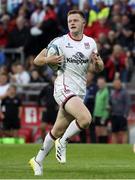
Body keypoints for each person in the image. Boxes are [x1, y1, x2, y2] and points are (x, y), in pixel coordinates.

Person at [29, 10, 104, 176]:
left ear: (84, 23)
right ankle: (63, 142)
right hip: (63, 88)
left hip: (79, 91)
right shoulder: (59, 42)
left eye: (76, 20)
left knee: (56, 130)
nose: (72, 23)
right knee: (85, 119)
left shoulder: (90, 43)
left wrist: (98, 63)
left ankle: (37, 160)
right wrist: (48, 60)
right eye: (70, 20)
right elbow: (37, 60)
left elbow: (98, 68)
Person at [109, 78, 130, 143]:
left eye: (117, 83)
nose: (115, 85)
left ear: (120, 84)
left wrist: (125, 114)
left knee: (123, 132)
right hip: (114, 115)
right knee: (114, 132)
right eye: (114, 84)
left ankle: (123, 147)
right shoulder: (112, 92)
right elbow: (110, 102)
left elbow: (127, 104)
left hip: (122, 115)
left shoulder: (124, 92)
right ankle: (114, 148)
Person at [93, 77, 110, 143]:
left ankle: (104, 145)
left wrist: (104, 117)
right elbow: (96, 105)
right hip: (97, 114)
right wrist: (94, 115)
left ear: (105, 83)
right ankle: (100, 145)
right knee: (98, 131)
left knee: (103, 131)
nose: (100, 84)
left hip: (103, 115)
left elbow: (107, 106)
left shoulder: (106, 92)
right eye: (99, 83)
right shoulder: (98, 92)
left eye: (101, 83)